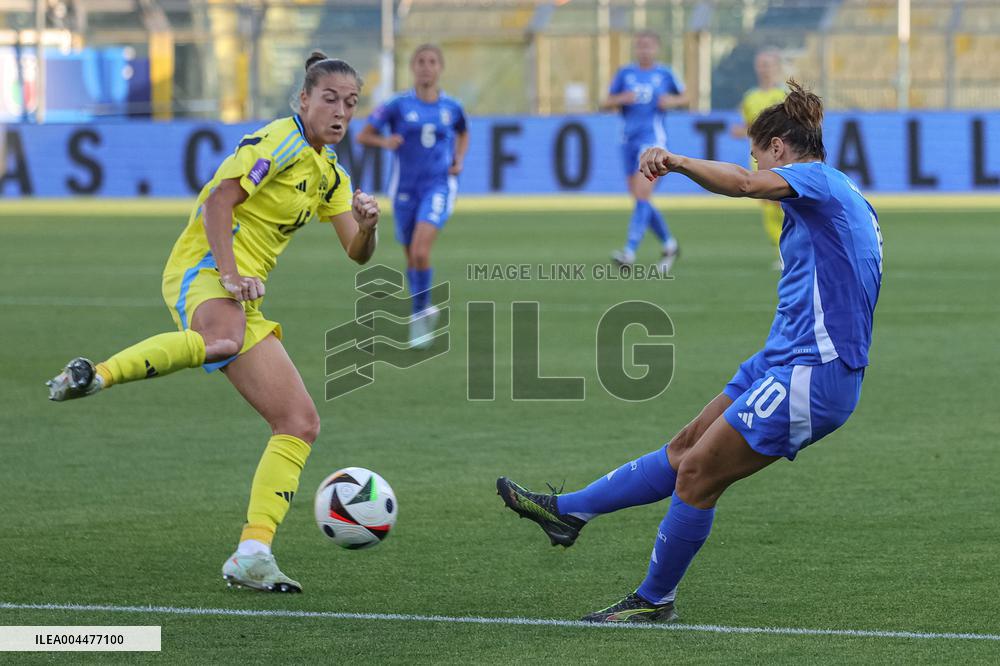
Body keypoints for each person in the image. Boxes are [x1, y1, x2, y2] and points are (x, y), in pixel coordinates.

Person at [498, 81, 883, 623]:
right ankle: (568, 512)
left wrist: (675, 161)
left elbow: (747, 183)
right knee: (685, 447)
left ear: (778, 148)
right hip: (782, 360)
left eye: (757, 151)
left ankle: (655, 600)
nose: (755, 163)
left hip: (814, 373)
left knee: (699, 473)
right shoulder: (838, 195)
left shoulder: (815, 180)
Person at [45, 52, 381, 594]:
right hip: (205, 266)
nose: (341, 111)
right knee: (220, 339)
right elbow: (220, 203)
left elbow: (357, 253)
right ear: (303, 100)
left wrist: (367, 226)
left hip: (240, 287)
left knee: (299, 422)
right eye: (329, 99)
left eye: (350, 102)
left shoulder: (332, 174)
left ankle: (252, 553)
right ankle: (96, 373)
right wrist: (228, 274)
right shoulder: (281, 141)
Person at [357, 44, 469, 348]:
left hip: (438, 186)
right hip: (405, 189)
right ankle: (424, 306)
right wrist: (385, 141)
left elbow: (463, 131)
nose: (426, 67)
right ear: (412, 67)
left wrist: (458, 160)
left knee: (420, 251)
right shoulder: (397, 105)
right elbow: (363, 134)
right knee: (411, 255)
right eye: (420, 61)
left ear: (440, 68)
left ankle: (420, 316)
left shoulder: (452, 107)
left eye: (432, 61)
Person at [602, 30, 689, 274]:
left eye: (648, 46)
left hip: (652, 141)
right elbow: (606, 101)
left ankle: (629, 251)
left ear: (657, 49)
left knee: (642, 193)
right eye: (640, 46)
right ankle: (670, 244)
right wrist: (622, 98)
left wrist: (670, 102)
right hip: (627, 141)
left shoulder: (664, 73)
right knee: (641, 198)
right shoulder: (625, 73)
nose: (644, 50)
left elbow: (686, 97)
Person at [731, 49, 787, 265]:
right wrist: (742, 130)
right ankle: (782, 250)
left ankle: (794, 249)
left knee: (784, 203)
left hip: (782, 157)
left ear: (777, 66)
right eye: (761, 64)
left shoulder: (784, 95)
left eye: (768, 64)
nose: (765, 68)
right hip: (758, 156)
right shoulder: (750, 97)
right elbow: (751, 126)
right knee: (766, 203)